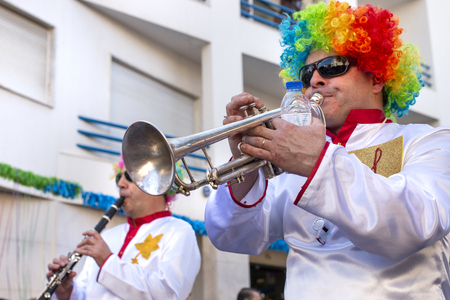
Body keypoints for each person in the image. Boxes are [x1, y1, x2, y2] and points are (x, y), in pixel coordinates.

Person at [205, 1, 450, 299]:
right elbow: (235, 238)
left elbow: (416, 222)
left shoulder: (428, 141)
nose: (315, 82)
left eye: (333, 67)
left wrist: (316, 162)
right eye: (307, 74)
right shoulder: (293, 159)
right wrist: (245, 160)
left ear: (376, 77)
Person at [46, 156, 201, 299]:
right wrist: (67, 292)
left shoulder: (180, 232)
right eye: (118, 178)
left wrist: (108, 262)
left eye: (130, 177)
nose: (120, 184)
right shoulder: (107, 236)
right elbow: (87, 292)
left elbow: (169, 294)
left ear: (159, 182)